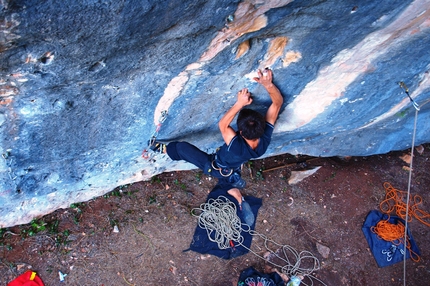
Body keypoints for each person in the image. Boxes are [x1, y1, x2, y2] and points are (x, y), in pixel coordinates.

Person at [151, 68, 283, 189]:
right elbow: (277, 103)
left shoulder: (236, 147)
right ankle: (231, 178)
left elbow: (223, 124)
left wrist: (240, 103)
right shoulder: (263, 140)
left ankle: (165, 149)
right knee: (229, 169)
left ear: (241, 133)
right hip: (232, 165)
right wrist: (268, 85)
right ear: (262, 124)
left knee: (182, 148)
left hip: (214, 165)